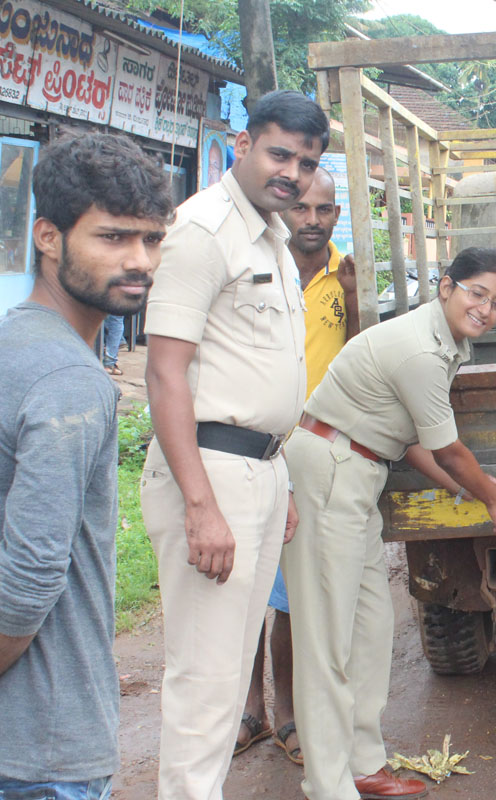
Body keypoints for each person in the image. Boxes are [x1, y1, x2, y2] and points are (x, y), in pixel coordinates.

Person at [140, 89, 329, 800]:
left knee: (223, 679)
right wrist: (200, 505)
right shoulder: (203, 228)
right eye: (280, 153)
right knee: (207, 681)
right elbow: (165, 372)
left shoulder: (272, 235)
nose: (293, 172)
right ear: (242, 144)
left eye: (306, 162)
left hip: (256, 469)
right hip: (210, 470)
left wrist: (275, 479)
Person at [282, 247, 496, 800]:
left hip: (359, 471)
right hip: (331, 467)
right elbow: (449, 449)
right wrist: (491, 498)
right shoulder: (420, 348)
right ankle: (327, 784)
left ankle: (363, 764)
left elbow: (411, 441)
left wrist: (463, 490)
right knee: (327, 639)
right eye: (477, 293)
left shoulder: (443, 341)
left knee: (370, 628)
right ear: (445, 286)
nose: (485, 309)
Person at [0, 132, 171, 799]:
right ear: (48, 236)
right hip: (43, 752)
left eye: (152, 240)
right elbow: (29, 575)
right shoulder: (70, 383)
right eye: (112, 238)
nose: (138, 261)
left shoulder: (15, 341)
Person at [236, 167, 358, 765]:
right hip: (250, 445)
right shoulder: (257, 265)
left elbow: (363, 353)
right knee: (242, 590)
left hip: (309, 452)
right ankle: (247, 713)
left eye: (325, 210)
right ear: (284, 207)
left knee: (287, 595)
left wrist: (358, 301)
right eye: (303, 208)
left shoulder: (346, 276)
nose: (313, 220)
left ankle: (286, 713)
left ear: (337, 216)